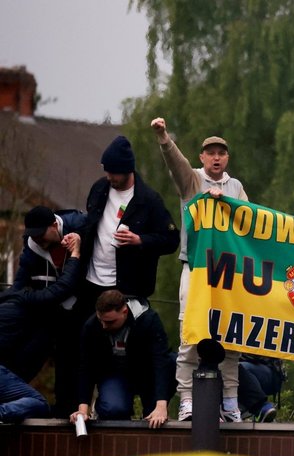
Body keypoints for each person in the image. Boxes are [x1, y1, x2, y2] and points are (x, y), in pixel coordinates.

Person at [151, 117, 248, 422]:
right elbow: (175, 162)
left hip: (228, 272)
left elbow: (249, 224)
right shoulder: (191, 181)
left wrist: (228, 204)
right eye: (211, 153)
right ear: (202, 157)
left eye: (221, 153)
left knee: (230, 338)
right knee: (190, 335)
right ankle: (188, 400)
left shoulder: (236, 186)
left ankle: (230, 402)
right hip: (195, 269)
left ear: (227, 158)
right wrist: (164, 137)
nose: (216, 157)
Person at [78, 135, 179, 312]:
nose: (109, 177)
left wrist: (139, 240)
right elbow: (88, 224)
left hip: (127, 290)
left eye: (113, 172)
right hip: (90, 282)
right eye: (106, 171)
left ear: (127, 170)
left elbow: (171, 240)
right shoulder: (99, 189)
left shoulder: (149, 200)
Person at [0, 224, 83, 423]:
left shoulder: (9, 300)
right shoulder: (29, 301)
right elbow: (61, 289)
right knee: (37, 403)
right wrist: (75, 255)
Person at [72, 290, 175, 428]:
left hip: (146, 373)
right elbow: (86, 367)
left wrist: (161, 405)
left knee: (173, 362)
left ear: (124, 312)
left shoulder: (149, 320)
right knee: (114, 409)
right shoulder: (91, 326)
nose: (104, 326)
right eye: (101, 320)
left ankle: (155, 408)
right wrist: (83, 410)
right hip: (114, 374)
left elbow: (160, 360)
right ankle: (103, 408)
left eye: (110, 322)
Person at [238, 355, 284, 422]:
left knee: (234, 368)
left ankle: (260, 408)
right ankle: (239, 411)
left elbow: (254, 356)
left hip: (268, 371)